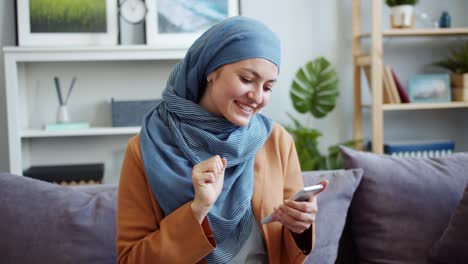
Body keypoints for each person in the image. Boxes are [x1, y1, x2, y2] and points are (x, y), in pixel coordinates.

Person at [116, 16, 327, 264]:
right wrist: (197, 209)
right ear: (211, 71)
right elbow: (131, 259)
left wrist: (299, 227)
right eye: (247, 80)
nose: (257, 97)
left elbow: (287, 252)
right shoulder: (145, 148)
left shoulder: (276, 141)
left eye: (268, 87)